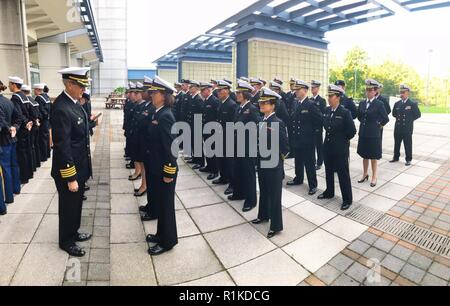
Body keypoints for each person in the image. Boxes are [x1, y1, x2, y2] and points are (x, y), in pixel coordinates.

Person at [51, 67, 93, 257]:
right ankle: (66, 241)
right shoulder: (61, 107)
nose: (83, 90)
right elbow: (62, 146)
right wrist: (70, 177)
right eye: (80, 86)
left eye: (84, 86)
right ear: (69, 84)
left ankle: (73, 232)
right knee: (68, 206)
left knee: (76, 205)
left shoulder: (74, 103)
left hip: (80, 166)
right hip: (69, 170)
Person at [144, 76, 179, 256]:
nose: (151, 94)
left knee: (166, 207)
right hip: (156, 166)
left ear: (164, 96)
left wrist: (169, 171)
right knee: (160, 203)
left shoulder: (166, 116)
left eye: (155, 92)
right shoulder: (158, 112)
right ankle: (160, 234)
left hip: (165, 169)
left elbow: (171, 148)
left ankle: (168, 241)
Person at [252, 87, 289, 238]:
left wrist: (277, 162)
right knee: (264, 191)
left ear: (273, 105)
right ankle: (263, 215)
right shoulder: (262, 120)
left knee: (274, 195)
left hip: (273, 165)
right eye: (261, 102)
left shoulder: (277, 122)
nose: (261, 105)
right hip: (262, 162)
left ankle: (276, 225)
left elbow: (285, 147)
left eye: (265, 102)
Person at [318, 85, 357, 211]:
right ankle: (329, 192)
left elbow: (352, 131)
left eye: (331, 96)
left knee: (343, 174)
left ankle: (347, 199)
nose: (329, 98)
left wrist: (342, 140)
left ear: (338, 97)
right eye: (328, 96)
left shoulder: (345, 113)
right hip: (328, 147)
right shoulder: (327, 110)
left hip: (340, 149)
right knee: (328, 171)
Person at [229, 80, 261, 212]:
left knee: (248, 174)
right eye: (237, 93)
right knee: (238, 170)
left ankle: (251, 200)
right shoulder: (239, 107)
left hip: (248, 146)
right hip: (238, 145)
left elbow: (259, 126)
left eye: (239, 93)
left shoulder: (252, 109)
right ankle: (239, 193)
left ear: (246, 94)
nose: (237, 95)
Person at [287, 80, 322, 195]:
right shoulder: (296, 103)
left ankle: (313, 185)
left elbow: (319, 120)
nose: (296, 91)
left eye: (299, 89)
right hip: (297, 139)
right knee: (298, 161)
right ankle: (298, 178)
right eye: (296, 89)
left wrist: (313, 135)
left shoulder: (311, 104)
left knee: (309, 163)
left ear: (305, 90)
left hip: (307, 140)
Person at [357, 79, 390, 188]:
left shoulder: (379, 103)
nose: (368, 92)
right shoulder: (362, 102)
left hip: (373, 134)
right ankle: (365, 174)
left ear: (375, 91)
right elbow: (359, 116)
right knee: (364, 155)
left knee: (373, 157)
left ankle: (374, 176)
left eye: (370, 90)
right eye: (367, 89)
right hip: (363, 133)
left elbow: (386, 118)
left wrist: (378, 125)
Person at [212, 80, 238, 189]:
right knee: (220, 159)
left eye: (220, 90)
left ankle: (232, 184)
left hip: (228, 138)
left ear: (227, 90)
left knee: (229, 162)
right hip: (219, 136)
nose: (218, 93)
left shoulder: (231, 105)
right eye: (217, 90)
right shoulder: (220, 103)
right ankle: (223, 177)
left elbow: (233, 123)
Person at [0, 80, 21, 210]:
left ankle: (9, 197)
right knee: (13, 166)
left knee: (7, 169)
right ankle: (14, 191)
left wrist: (10, 128)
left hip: (4, 140)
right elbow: (18, 119)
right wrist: (14, 128)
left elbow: (2, 122)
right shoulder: (8, 101)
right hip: (11, 139)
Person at [8, 77, 33, 184]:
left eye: (10, 84)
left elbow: (18, 114)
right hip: (27, 127)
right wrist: (29, 121)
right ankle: (29, 173)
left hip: (21, 128)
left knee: (21, 153)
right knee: (27, 151)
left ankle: (24, 177)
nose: (8, 86)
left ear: (14, 85)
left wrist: (26, 122)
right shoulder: (24, 96)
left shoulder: (15, 98)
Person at [390, 84, 421, 166]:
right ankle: (395, 157)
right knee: (396, 143)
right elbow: (394, 114)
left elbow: (418, 115)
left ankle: (408, 159)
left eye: (403, 92)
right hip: (398, 128)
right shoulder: (397, 103)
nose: (401, 94)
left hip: (407, 128)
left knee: (407, 144)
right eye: (400, 92)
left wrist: (409, 120)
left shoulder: (412, 104)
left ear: (408, 93)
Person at [128, 82, 148, 197]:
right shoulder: (142, 106)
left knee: (144, 165)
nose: (133, 95)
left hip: (144, 141)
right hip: (137, 138)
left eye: (137, 93)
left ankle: (144, 185)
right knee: (139, 160)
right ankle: (142, 183)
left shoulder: (149, 107)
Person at [199, 82, 220, 181]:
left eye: (203, 90)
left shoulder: (214, 101)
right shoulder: (206, 101)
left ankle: (214, 170)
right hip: (206, 129)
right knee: (207, 149)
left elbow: (217, 116)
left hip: (212, 130)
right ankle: (209, 166)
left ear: (208, 90)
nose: (201, 92)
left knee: (212, 151)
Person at [22, 85, 41, 170]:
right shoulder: (33, 100)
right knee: (36, 145)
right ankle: (37, 163)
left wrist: (33, 120)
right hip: (36, 125)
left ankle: (33, 166)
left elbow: (34, 114)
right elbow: (38, 114)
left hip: (31, 126)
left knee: (31, 146)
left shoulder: (28, 101)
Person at [310, 80, 327, 170]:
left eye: (314, 87)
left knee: (319, 145)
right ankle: (313, 161)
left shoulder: (322, 101)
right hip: (310, 127)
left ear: (318, 88)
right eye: (312, 87)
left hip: (317, 127)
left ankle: (320, 162)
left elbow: (322, 115)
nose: (312, 89)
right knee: (311, 145)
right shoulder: (309, 100)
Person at [33, 84, 51, 162]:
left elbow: (40, 110)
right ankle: (47, 154)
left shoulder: (38, 98)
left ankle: (43, 156)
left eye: (34, 90)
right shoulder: (46, 97)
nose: (34, 91)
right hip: (47, 120)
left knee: (42, 139)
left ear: (37, 90)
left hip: (43, 121)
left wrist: (39, 118)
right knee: (46, 137)